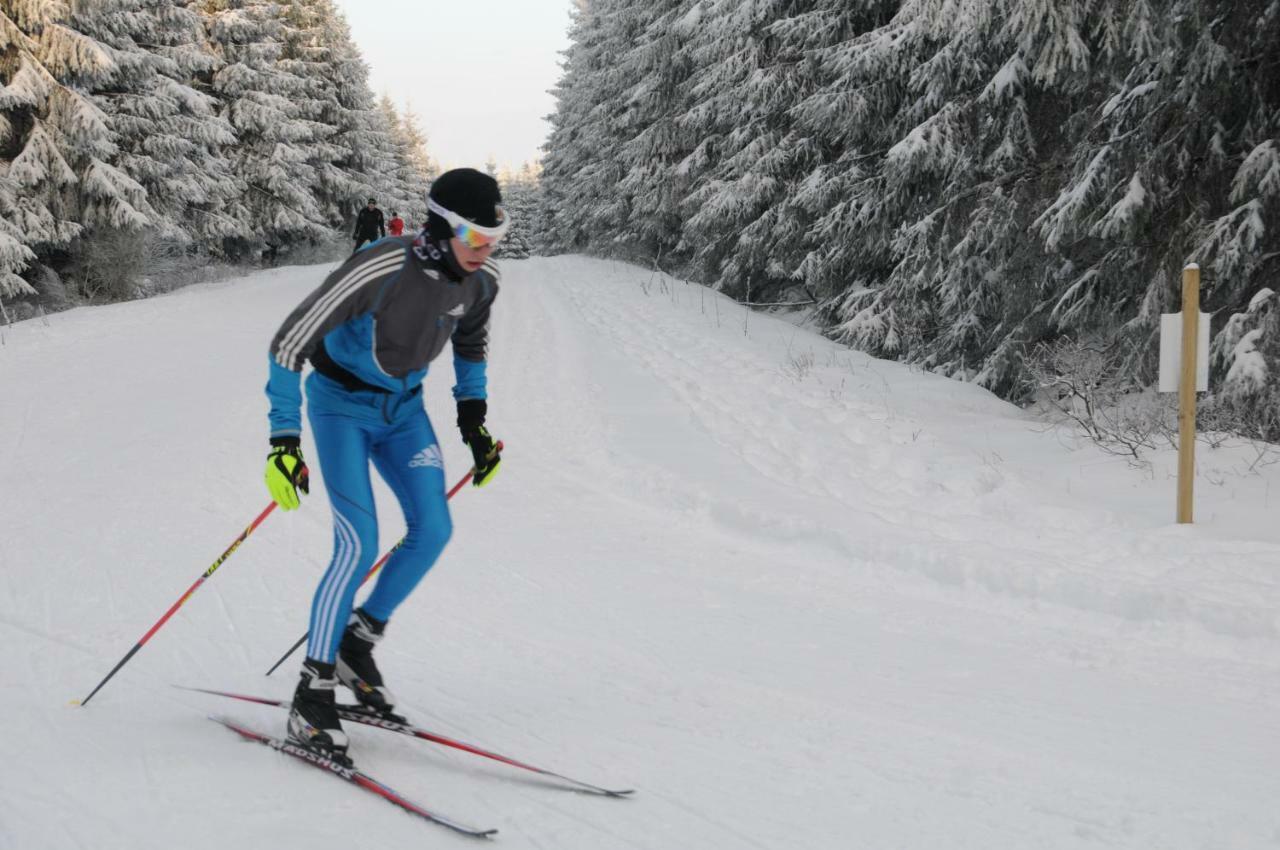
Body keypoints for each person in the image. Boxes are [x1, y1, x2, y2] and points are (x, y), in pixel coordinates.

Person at [263, 168, 509, 763]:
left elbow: (470, 347)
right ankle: (312, 690)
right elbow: (289, 343)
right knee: (357, 543)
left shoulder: (481, 281)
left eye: (494, 240)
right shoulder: (380, 265)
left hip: (403, 413)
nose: (485, 251)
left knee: (434, 530)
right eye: (476, 238)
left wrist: (473, 425)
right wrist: (284, 440)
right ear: (443, 225)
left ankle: (357, 641)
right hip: (340, 408)